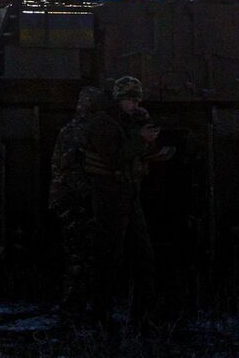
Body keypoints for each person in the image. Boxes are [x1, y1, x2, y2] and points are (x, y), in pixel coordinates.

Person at [83, 75, 159, 333]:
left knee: (143, 256)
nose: (134, 104)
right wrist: (141, 139)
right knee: (107, 256)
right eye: (130, 99)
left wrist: (144, 127)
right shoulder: (102, 123)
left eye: (137, 99)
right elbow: (115, 157)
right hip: (109, 193)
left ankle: (141, 316)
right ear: (119, 99)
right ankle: (100, 314)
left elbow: (133, 153)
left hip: (128, 191)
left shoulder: (128, 122)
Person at [48, 86, 104, 322]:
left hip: (66, 198)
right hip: (81, 199)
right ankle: (76, 307)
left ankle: (74, 305)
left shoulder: (68, 130)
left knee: (76, 254)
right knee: (84, 255)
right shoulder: (94, 130)